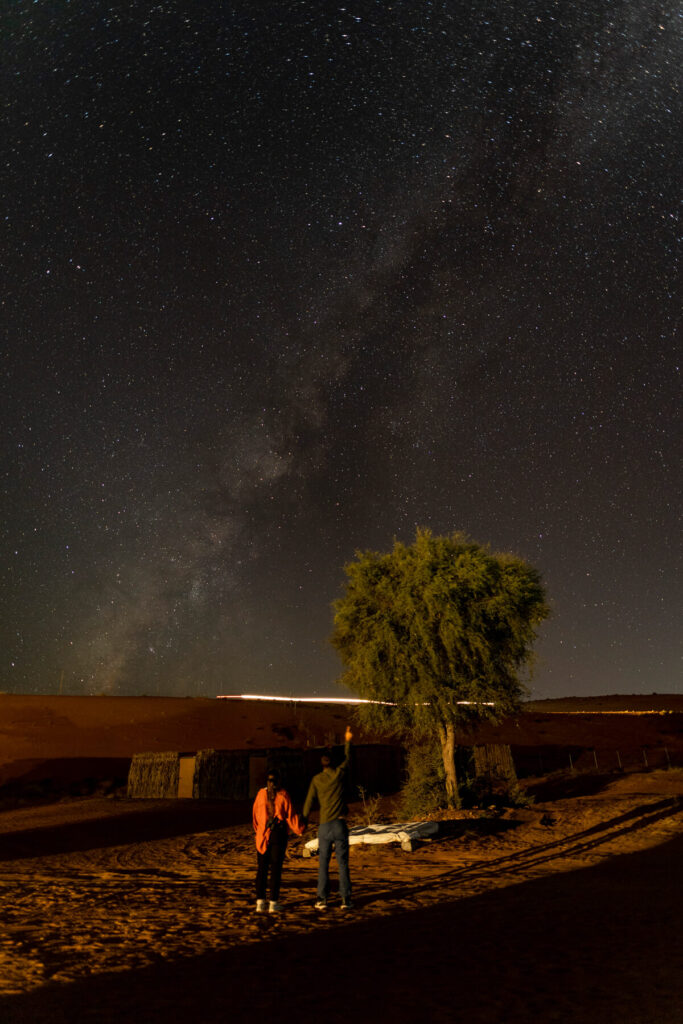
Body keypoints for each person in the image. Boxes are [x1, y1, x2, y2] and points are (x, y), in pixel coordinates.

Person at [303, 725, 354, 910]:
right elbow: (348, 760)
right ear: (332, 763)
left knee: (323, 864)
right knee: (342, 864)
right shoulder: (339, 775)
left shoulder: (316, 780)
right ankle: (345, 899)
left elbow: (308, 803)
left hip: (324, 826)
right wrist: (348, 740)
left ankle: (322, 899)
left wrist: (303, 820)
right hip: (339, 825)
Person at [252, 769, 305, 914]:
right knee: (275, 870)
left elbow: (255, 815)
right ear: (279, 781)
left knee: (262, 869)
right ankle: (273, 903)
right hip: (278, 835)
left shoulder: (260, 794)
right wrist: (300, 829)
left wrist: (259, 831)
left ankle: (260, 902)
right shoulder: (283, 795)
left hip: (262, 836)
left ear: (267, 782)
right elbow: (290, 815)